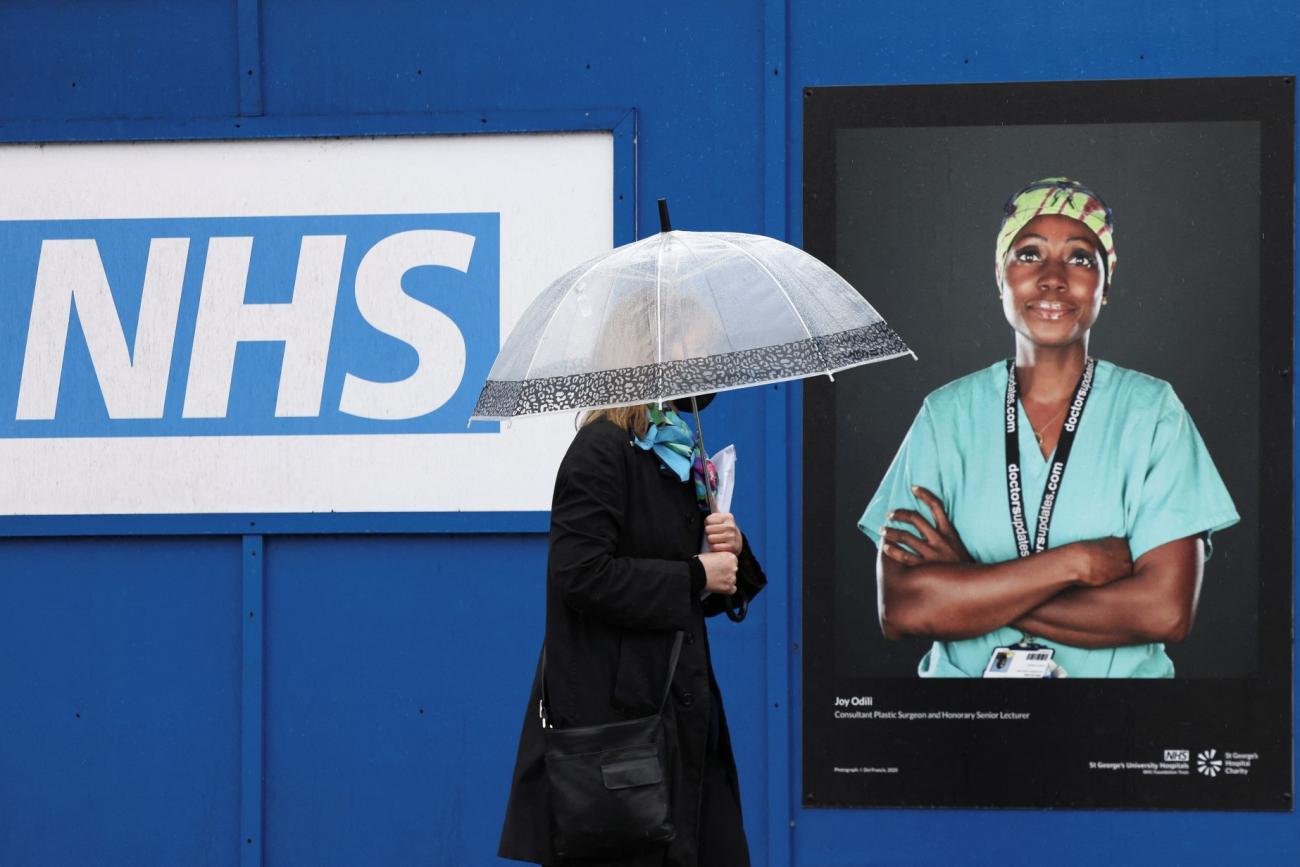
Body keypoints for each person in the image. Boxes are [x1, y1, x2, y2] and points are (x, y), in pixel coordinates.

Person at [858, 177, 1239, 678]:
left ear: (1107, 278)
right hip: (962, 727)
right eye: (1029, 254)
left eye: (1081, 258)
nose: (1054, 277)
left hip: (1118, 726)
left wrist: (970, 584)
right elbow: (903, 610)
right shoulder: (945, 416)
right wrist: (1074, 563)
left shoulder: (1151, 413)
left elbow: (1164, 611)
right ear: (1001, 274)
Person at [499, 395, 766, 865]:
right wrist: (695, 575)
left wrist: (733, 549)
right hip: (622, 732)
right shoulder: (601, 449)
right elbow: (580, 575)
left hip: (685, 719)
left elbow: (698, 583)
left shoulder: (679, 454)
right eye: (687, 340)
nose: (698, 353)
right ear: (649, 351)